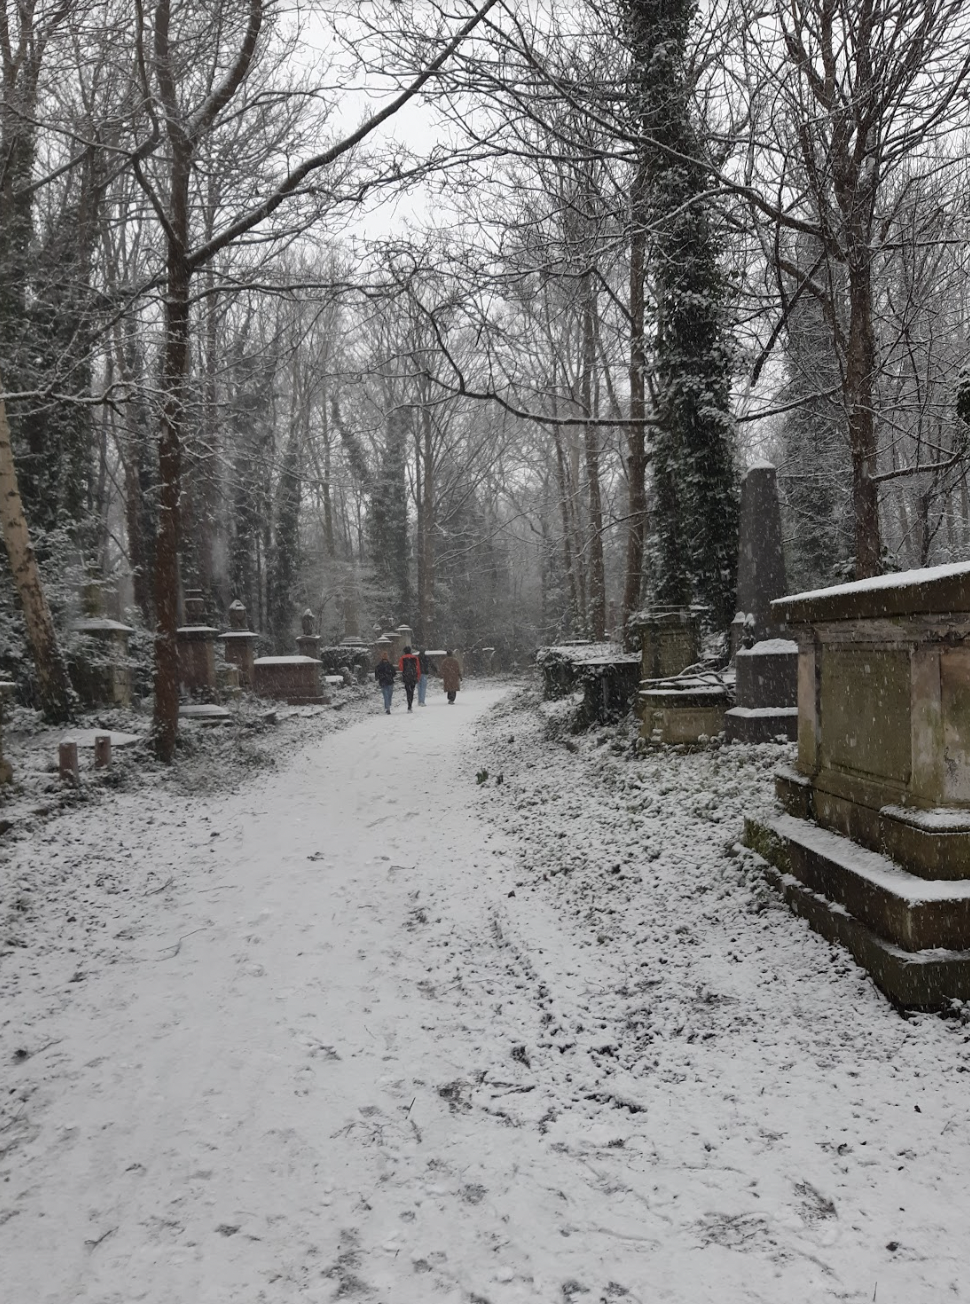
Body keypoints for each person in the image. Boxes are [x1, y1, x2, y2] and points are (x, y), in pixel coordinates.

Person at [398, 644, 421, 712]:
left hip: (406, 677)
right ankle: (410, 705)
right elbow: (418, 668)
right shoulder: (415, 658)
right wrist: (418, 677)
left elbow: (401, 668)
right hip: (413, 676)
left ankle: (409, 705)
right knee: (412, 691)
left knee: (408, 691)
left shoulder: (402, 658)